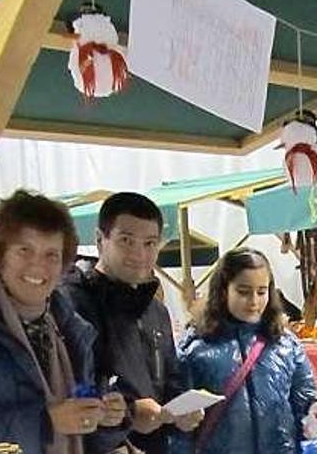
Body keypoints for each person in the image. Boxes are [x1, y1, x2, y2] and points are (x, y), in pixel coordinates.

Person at [0, 190, 126, 453]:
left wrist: (105, 419)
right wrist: (45, 422)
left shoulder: (72, 330)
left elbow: (85, 439)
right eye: (25, 250)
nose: (38, 266)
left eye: (52, 254)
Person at [60, 192, 201, 453]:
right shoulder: (70, 303)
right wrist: (130, 412)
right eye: (126, 240)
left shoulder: (156, 311)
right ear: (100, 240)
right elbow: (70, 386)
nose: (139, 253)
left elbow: (170, 379)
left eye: (150, 243)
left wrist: (180, 412)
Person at [174, 247, 317, 453]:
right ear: (224, 290)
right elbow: (179, 427)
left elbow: (308, 410)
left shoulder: (287, 345)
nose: (254, 301)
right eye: (243, 291)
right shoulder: (195, 348)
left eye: (262, 291)